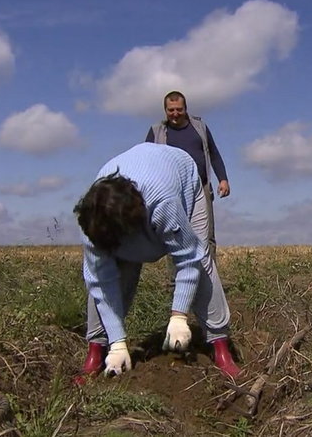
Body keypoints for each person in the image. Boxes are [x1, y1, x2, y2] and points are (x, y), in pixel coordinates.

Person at [75, 142, 240, 380]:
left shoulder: (163, 203)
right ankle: (97, 351)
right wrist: (118, 343)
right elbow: (101, 284)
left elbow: (187, 259)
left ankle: (220, 346)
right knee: (109, 277)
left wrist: (179, 316)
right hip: (131, 216)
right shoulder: (92, 221)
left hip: (180, 176)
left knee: (201, 260)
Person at [146, 91, 230, 260]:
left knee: (207, 235)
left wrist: (223, 179)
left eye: (179, 109)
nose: (175, 114)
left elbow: (213, 153)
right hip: (171, 190)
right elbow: (146, 159)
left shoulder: (200, 127)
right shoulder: (157, 131)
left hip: (201, 185)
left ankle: (208, 282)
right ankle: (177, 282)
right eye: (171, 110)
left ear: (186, 108)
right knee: (174, 235)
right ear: (165, 110)